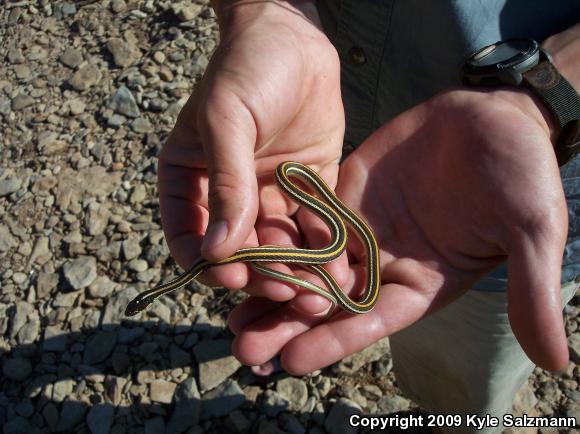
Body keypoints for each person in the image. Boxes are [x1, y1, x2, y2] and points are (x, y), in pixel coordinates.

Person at [158, 1, 580, 432]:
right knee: (397, 336)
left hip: (491, 205)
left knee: (467, 380)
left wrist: (555, 91)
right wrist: (261, 10)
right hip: (329, 134)